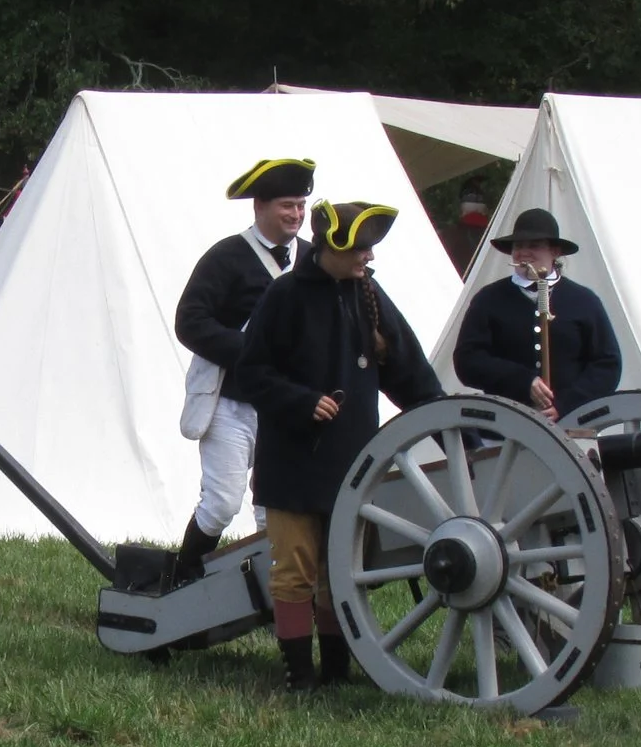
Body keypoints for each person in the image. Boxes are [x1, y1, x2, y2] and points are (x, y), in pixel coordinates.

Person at [228, 199, 446, 690]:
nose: (368, 258)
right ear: (333, 248)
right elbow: (251, 372)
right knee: (295, 571)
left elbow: (407, 369)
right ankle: (299, 676)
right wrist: (302, 400)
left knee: (339, 569)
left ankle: (336, 670)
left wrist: (443, 418)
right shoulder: (284, 296)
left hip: (351, 459)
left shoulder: (368, 294)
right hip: (292, 459)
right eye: (361, 249)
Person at [170, 158, 314, 584]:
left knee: (275, 509)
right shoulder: (227, 257)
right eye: (287, 205)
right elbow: (190, 321)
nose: (296, 215)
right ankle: (184, 579)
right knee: (221, 503)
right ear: (260, 207)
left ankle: (276, 595)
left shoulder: (309, 259)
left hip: (284, 407)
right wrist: (252, 351)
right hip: (231, 403)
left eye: (301, 206)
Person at [452, 207, 622, 418]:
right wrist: (522, 380)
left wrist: (565, 404)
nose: (524, 252)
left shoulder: (584, 301)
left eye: (534, 245)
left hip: (573, 424)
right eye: (519, 246)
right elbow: (468, 360)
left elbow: (607, 365)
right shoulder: (488, 300)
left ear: (555, 252)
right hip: (504, 423)